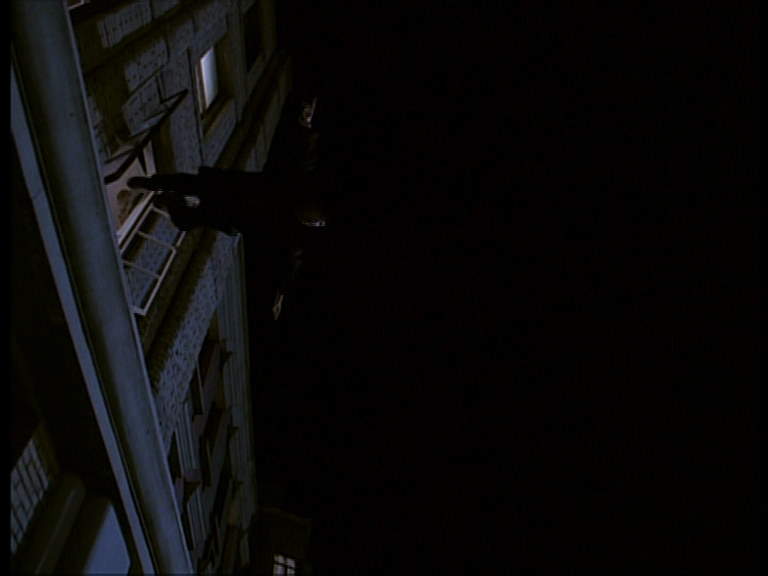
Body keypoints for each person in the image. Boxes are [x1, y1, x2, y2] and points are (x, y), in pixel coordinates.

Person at [127, 95, 327, 320]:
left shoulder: (292, 235)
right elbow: (304, 155)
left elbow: (289, 265)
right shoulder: (292, 184)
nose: (311, 221)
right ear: (310, 204)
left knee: (188, 220)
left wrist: (280, 295)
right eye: (315, 216)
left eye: (316, 223)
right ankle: (154, 183)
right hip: (233, 188)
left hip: (229, 216)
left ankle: (175, 203)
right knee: (192, 184)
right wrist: (305, 123)